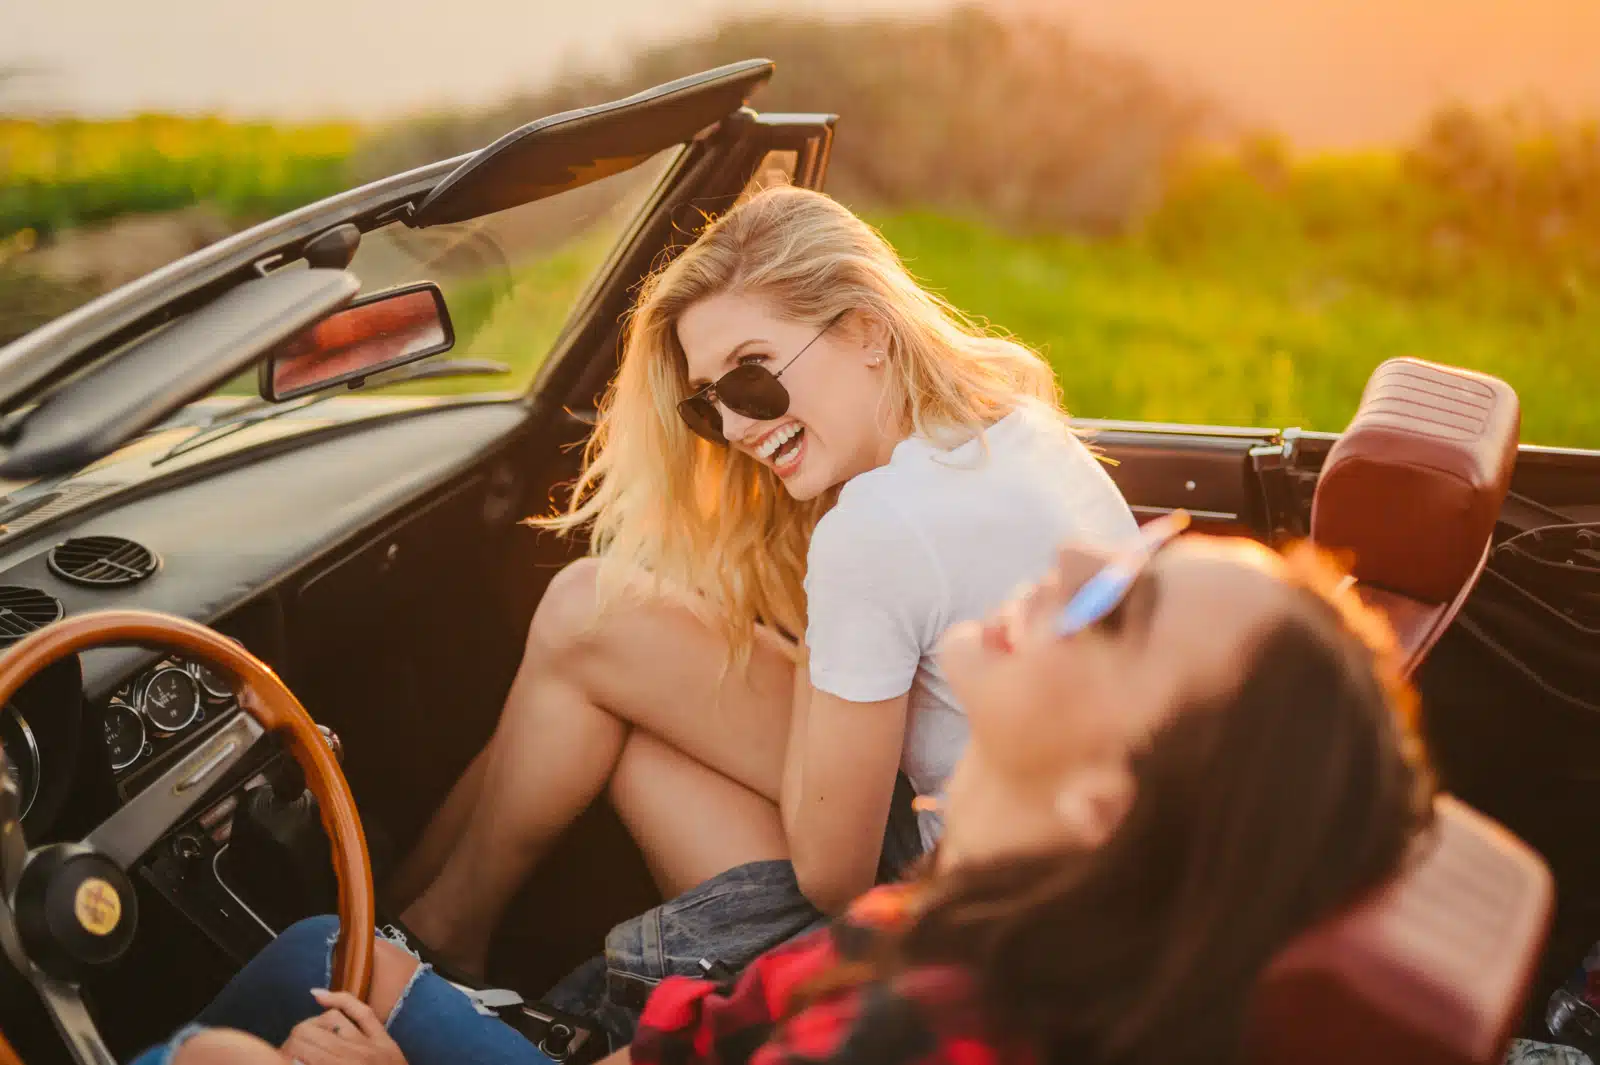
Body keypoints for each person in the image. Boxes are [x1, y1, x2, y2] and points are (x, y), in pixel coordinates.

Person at [128, 525, 1434, 1065]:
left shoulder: (932, 1030)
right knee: (317, 957)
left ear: (1107, 800)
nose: (1090, 550)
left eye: (1121, 605)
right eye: (1150, 544)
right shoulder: (976, 901)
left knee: (226, 1051)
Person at [383, 184, 1139, 993]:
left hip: (955, 924)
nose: (737, 428)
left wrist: (816, 622)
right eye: (710, 404)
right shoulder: (1012, 420)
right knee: (588, 617)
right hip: (1060, 869)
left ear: (867, 331)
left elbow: (833, 875)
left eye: (752, 376)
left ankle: (417, 945)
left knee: (613, 687)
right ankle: (406, 926)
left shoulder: (878, 525)